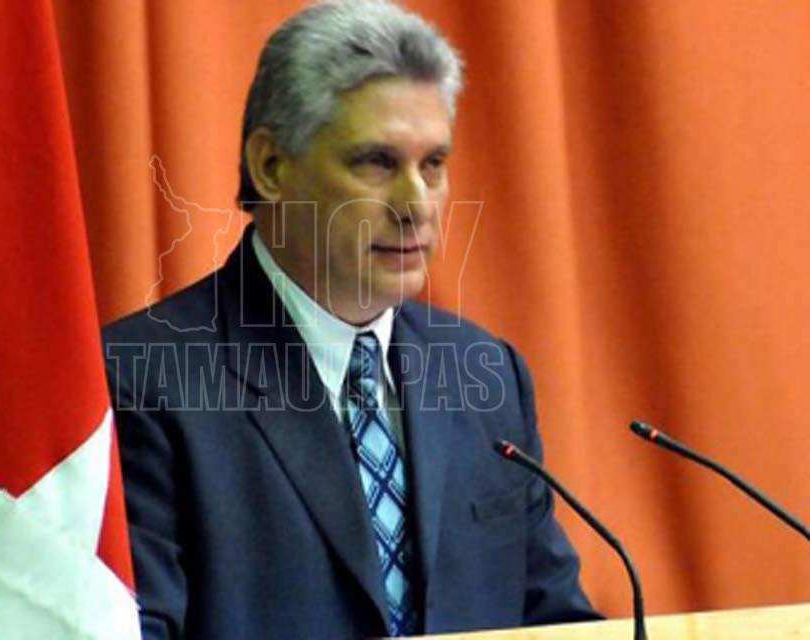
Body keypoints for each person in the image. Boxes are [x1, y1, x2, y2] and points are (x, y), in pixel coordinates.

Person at [103, 1, 600, 638]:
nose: (416, 204)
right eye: (377, 162)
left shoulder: (486, 374)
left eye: (433, 165)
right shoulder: (142, 379)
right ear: (271, 167)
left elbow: (555, 620)